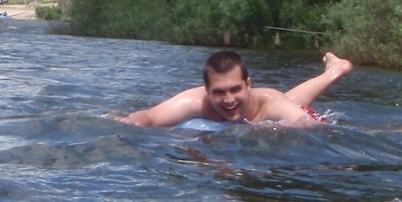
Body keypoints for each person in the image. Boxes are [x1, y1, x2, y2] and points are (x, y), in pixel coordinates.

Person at [120, 50, 353, 128]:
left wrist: (275, 132)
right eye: (218, 92)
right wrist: (128, 122)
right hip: (267, 105)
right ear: (207, 90)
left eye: (235, 89)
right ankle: (336, 70)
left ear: (248, 85)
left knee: (289, 102)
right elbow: (150, 116)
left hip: (270, 108)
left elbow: (310, 127)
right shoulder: (195, 102)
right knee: (288, 98)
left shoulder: (270, 103)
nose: (228, 100)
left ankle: (335, 72)